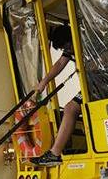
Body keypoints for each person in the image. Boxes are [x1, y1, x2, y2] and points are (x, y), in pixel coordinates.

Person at [29, 25, 77, 168]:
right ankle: (55, 152)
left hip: (102, 82)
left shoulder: (87, 44)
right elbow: (61, 63)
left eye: (66, 47)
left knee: (70, 108)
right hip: (94, 83)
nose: (66, 50)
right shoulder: (72, 47)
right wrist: (44, 82)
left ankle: (55, 153)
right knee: (69, 108)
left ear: (69, 40)